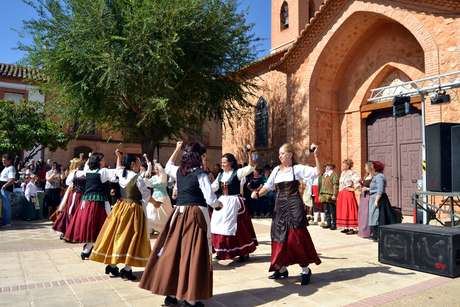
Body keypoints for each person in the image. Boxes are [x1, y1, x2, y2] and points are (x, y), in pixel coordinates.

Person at [139, 141, 222, 307]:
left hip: (178, 215)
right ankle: (190, 298)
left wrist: (177, 148)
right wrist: (218, 205)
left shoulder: (178, 171)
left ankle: (172, 294)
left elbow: (168, 164)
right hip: (195, 216)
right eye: (202, 155)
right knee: (193, 254)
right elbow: (210, 199)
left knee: (174, 251)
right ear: (198, 157)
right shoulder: (200, 174)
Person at [251, 143, 321, 285]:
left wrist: (316, 155)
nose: (280, 156)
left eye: (282, 153)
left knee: (296, 237)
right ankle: (281, 268)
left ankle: (305, 269)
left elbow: (317, 172)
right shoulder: (276, 170)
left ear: (290, 155)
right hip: (280, 206)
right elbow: (268, 186)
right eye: (279, 154)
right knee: (278, 236)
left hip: (294, 205)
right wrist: (257, 194)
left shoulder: (297, 169)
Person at [90, 151, 151, 281]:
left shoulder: (121, 174)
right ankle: (127, 269)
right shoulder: (137, 177)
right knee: (133, 237)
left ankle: (113, 265)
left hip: (120, 207)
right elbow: (146, 195)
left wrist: (118, 157)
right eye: (139, 162)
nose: (140, 164)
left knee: (118, 235)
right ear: (133, 164)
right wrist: (149, 202)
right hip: (133, 210)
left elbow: (118, 168)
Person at [64, 152, 117, 260]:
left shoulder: (87, 171)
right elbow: (115, 178)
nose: (104, 161)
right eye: (102, 160)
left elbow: (80, 172)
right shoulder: (103, 171)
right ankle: (94, 249)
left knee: (92, 226)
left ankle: (87, 249)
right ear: (98, 162)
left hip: (86, 202)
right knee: (105, 224)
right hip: (99, 202)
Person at [210, 148, 258, 262]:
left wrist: (250, 153)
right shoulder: (220, 175)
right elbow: (214, 187)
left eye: (224, 162)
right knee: (218, 225)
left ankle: (243, 251)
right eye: (221, 162)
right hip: (223, 202)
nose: (222, 164)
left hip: (234, 202)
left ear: (230, 163)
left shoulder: (237, 172)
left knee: (238, 228)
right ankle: (221, 250)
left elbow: (251, 167)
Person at [53, 158, 85, 238]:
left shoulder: (82, 172)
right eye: (80, 163)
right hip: (74, 193)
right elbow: (68, 183)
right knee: (70, 211)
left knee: (75, 211)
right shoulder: (74, 173)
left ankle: (73, 231)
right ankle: (67, 231)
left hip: (79, 194)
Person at [145, 159, 174, 235]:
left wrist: (156, 164)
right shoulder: (154, 177)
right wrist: (148, 169)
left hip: (163, 198)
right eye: (155, 169)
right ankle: (151, 230)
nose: (156, 170)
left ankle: (164, 230)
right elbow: (147, 183)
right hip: (154, 197)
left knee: (164, 215)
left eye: (157, 169)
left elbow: (162, 174)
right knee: (150, 212)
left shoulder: (163, 176)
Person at [369, 161, 395, 241]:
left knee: (379, 217)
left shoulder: (379, 177)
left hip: (379, 199)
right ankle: (376, 235)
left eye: (373, 166)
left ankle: (379, 235)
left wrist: (376, 201)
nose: (371, 167)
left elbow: (380, 190)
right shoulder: (376, 176)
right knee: (374, 216)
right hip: (375, 197)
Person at [336, 159, 361, 235]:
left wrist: (353, 189)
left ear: (348, 165)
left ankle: (352, 228)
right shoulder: (343, 173)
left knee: (349, 209)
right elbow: (340, 184)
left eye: (344, 165)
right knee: (343, 210)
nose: (342, 166)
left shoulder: (352, 173)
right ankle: (345, 227)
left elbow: (358, 182)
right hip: (342, 194)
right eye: (342, 164)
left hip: (348, 194)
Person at [319, 163, 339, 230]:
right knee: (326, 210)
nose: (326, 168)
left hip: (330, 194)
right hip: (324, 195)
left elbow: (335, 185)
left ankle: (334, 224)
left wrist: (334, 194)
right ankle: (328, 223)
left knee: (332, 210)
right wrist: (320, 194)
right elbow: (321, 185)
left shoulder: (334, 175)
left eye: (328, 167)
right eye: (326, 167)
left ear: (331, 167)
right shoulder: (324, 175)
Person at [358, 162, 373, 238]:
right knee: (362, 214)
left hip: (368, 197)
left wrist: (367, 188)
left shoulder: (373, 177)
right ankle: (362, 231)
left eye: (366, 167)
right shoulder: (366, 176)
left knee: (367, 214)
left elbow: (374, 188)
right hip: (363, 197)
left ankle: (367, 232)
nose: (365, 168)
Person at [0, 153, 16, 226]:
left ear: (9, 161)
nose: (3, 162)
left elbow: (12, 179)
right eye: (2, 160)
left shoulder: (11, 168)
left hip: (6, 189)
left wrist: (5, 186)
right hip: (3, 188)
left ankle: (7, 222)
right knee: (3, 206)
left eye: (4, 160)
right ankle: (4, 221)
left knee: (6, 206)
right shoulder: (5, 168)